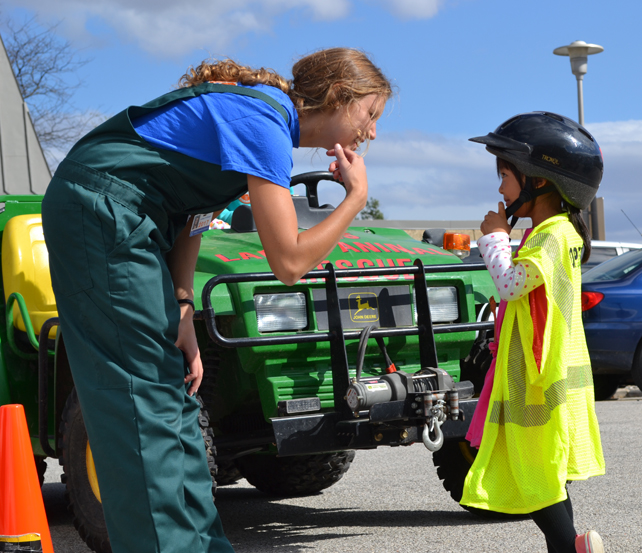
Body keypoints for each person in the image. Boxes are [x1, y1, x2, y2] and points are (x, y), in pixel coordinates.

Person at [41, 48, 392, 553]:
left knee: (176, 396)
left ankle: (202, 545)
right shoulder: (264, 122)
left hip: (133, 217)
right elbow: (289, 263)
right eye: (370, 114)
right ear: (339, 97)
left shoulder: (264, 119)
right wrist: (355, 200)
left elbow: (194, 212)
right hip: (100, 209)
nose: (372, 132)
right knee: (141, 400)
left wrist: (183, 305)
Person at [461, 112, 606, 553]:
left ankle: (571, 548)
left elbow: (510, 283)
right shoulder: (559, 233)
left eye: (505, 176)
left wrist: (495, 238)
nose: (501, 189)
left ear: (539, 181)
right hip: (549, 376)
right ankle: (572, 545)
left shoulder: (551, 235)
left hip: (537, 380)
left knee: (533, 473)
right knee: (545, 470)